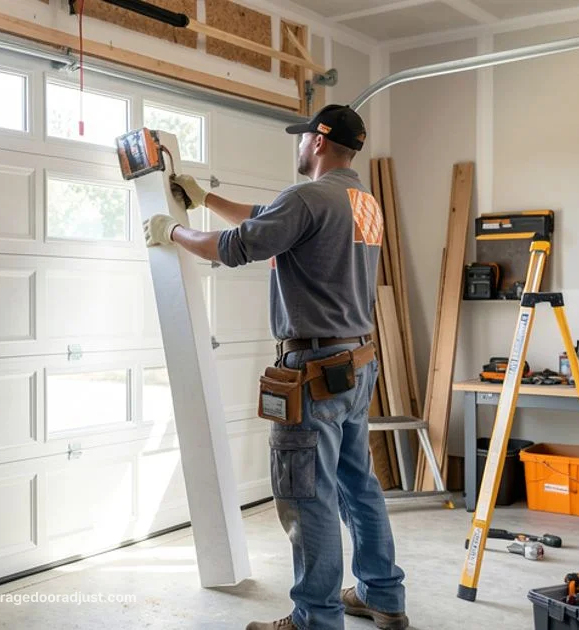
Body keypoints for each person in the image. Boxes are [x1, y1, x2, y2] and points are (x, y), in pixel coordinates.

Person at [142, 104, 408, 630]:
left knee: (306, 495)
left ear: (319, 141)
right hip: (356, 364)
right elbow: (270, 218)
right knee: (359, 485)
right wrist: (206, 199)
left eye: (304, 136)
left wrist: (172, 232)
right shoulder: (363, 202)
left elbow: (235, 247)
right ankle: (382, 595)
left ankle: (315, 618)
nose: (300, 143)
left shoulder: (307, 198)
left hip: (313, 371)